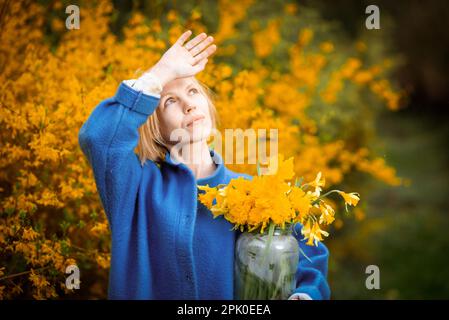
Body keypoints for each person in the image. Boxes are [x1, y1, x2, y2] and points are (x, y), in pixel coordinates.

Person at [78, 30, 330, 300]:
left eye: (193, 92)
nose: (188, 105)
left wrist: (306, 294)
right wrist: (161, 72)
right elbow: (99, 138)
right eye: (170, 101)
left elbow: (307, 254)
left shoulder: (251, 192)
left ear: (207, 106)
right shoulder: (136, 187)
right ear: (155, 126)